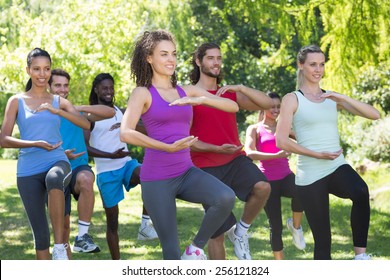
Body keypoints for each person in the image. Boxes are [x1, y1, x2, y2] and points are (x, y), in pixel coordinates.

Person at [120, 30, 238, 260]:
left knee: (225, 197)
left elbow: (232, 107)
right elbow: (125, 133)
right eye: (163, 54)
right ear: (149, 58)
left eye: (173, 54)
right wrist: (166, 147)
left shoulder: (187, 90)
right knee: (170, 254)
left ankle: (194, 250)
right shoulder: (142, 93)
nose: (171, 59)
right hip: (157, 178)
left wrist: (203, 99)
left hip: (186, 171)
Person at [276, 45, 380, 260]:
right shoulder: (292, 99)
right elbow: (281, 140)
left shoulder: (330, 98)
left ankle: (360, 256)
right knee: (323, 244)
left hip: (335, 165)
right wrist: (316, 154)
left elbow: (374, 114)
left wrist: (342, 98)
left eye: (322, 64)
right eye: (313, 64)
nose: (318, 69)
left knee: (360, 191)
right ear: (301, 65)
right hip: (310, 175)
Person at [0, 48, 90, 260]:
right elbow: (3, 139)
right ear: (28, 70)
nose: (42, 74)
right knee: (40, 238)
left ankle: (60, 247)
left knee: (54, 177)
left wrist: (58, 110)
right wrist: (35, 143)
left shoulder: (58, 101)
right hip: (28, 171)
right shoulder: (16, 101)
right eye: (37, 69)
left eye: (47, 69)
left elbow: (85, 123)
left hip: (57, 160)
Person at [188, 42, 273, 260]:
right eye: (210, 58)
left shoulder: (229, 94)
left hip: (235, 160)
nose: (216, 62)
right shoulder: (189, 95)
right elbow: (186, 140)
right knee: (216, 233)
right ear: (198, 61)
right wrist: (217, 148)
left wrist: (242, 88)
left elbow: (267, 103)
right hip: (205, 166)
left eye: (219, 58)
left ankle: (241, 232)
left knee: (263, 187)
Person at [84, 72, 158, 260]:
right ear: (96, 90)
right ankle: (116, 263)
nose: (109, 91)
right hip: (106, 173)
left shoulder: (118, 110)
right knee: (112, 224)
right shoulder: (89, 115)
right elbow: (86, 148)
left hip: (125, 164)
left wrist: (160, 131)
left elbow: (135, 128)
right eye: (105, 88)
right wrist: (109, 155)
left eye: (111, 88)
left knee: (150, 175)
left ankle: (145, 225)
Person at [48, 69, 116, 258]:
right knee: (64, 228)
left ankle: (83, 237)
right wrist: (61, 154)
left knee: (87, 179)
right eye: (57, 85)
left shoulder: (75, 112)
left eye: (65, 85)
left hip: (78, 167)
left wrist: (77, 108)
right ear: (48, 86)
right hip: (55, 171)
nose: (62, 89)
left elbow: (109, 112)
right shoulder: (44, 113)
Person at [245, 92, 306, 260]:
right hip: (268, 182)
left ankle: (296, 227)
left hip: (286, 176)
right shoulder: (255, 129)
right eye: (272, 106)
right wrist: (276, 156)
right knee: (276, 226)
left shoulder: (284, 127)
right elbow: (249, 153)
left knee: (301, 189)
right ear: (263, 107)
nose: (276, 109)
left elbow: (306, 140)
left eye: (279, 106)